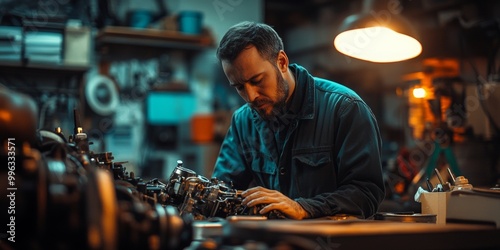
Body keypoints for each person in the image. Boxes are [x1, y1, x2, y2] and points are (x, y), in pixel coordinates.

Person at [211, 21, 385, 220]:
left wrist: (303, 207)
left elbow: (366, 194)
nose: (251, 97)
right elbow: (222, 189)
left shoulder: (345, 109)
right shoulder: (243, 121)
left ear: (282, 62)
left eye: (257, 81)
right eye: (239, 87)